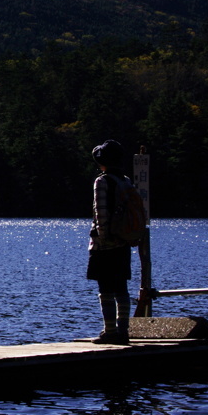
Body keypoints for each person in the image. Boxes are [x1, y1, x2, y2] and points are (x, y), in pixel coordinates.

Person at [87, 139, 132, 345]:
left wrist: (103, 238)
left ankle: (110, 331)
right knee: (121, 287)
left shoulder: (102, 182)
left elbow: (101, 212)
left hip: (105, 244)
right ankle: (123, 330)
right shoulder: (126, 181)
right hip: (123, 241)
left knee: (105, 288)